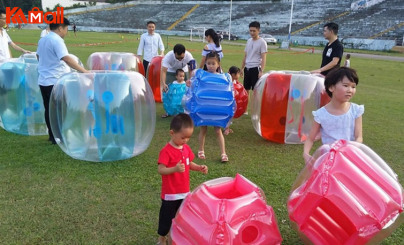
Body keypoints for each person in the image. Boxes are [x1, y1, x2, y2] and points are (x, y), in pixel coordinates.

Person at [157, 113, 208, 245]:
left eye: (188, 138)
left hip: (184, 192)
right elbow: (161, 169)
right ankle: (162, 238)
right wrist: (174, 169)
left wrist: (199, 167)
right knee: (166, 218)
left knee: (182, 217)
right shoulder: (166, 151)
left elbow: (189, 164)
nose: (185, 140)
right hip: (170, 195)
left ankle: (178, 236)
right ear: (172, 133)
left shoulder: (185, 148)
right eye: (183, 137)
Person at [36, 17, 89, 144]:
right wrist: (84, 71)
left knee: (49, 109)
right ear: (60, 27)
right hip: (55, 81)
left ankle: (53, 136)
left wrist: (46, 67)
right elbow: (66, 58)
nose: (66, 32)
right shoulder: (57, 40)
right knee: (60, 109)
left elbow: (38, 56)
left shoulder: (43, 39)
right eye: (66, 29)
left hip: (44, 80)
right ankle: (59, 136)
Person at [303, 67, 363, 163]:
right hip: (328, 159)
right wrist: (306, 154)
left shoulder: (356, 110)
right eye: (346, 85)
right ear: (331, 88)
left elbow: (358, 137)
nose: (350, 90)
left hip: (349, 158)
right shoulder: (321, 114)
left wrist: (352, 150)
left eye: (353, 87)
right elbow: (310, 138)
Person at [195, 52, 229, 162]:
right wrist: (189, 83)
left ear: (218, 64)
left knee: (218, 130)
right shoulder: (201, 76)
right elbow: (194, 85)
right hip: (204, 108)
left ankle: (223, 153)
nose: (210, 65)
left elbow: (227, 91)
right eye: (208, 63)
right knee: (203, 129)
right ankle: (201, 150)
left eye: (213, 63)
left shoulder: (222, 78)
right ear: (205, 64)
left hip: (216, 109)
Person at [161, 44, 196, 118]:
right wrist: (163, 83)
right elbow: (163, 71)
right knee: (167, 90)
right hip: (171, 70)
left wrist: (190, 80)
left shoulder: (189, 56)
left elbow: (192, 70)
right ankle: (168, 111)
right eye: (178, 58)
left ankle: (186, 111)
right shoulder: (168, 57)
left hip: (183, 70)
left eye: (182, 58)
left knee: (187, 91)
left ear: (185, 53)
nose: (180, 59)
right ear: (174, 53)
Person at [241, 21, 267, 115]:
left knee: (256, 91)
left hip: (255, 68)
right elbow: (245, 55)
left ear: (258, 30)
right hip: (247, 68)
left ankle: (256, 110)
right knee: (246, 90)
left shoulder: (262, 42)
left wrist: (261, 70)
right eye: (250, 31)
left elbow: (264, 57)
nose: (252, 33)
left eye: (254, 31)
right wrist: (242, 68)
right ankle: (245, 110)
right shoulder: (248, 41)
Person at [223, 66, 241, 135]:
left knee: (231, 115)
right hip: (227, 101)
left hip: (232, 101)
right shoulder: (227, 80)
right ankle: (226, 129)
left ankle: (227, 127)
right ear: (233, 74)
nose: (239, 75)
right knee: (228, 114)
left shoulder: (235, 81)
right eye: (238, 74)